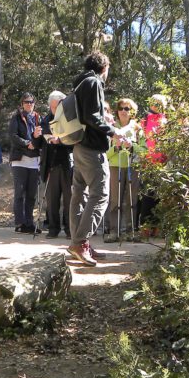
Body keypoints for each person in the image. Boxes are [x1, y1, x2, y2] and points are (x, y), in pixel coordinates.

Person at [68, 52, 122, 267]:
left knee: (80, 195)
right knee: (100, 195)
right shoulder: (94, 82)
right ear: (104, 67)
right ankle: (80, 243)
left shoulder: (80, 82)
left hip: (79, 146)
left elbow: (88, 114)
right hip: (92, 149)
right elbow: (91, 116)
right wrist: (112, 130)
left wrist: (103, 119)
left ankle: (80, 243)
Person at [39, 90, 73, 239]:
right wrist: (35, 137)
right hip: (51, 164)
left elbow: (74, 142)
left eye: (57, 106)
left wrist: (61, 140)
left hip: (67, 163)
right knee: (52, 199)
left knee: (69, 199)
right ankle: (53, 229)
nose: (54, 110)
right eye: (52, 107)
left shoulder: (70, 120)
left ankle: (70, 229)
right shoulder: (45, 120)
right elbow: (38, 143)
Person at [104, 98, 140, 242]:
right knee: (115, 200)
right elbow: (105, 153)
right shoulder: (110, 128)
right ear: (117, 111)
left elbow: (144, 149)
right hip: (115, 166)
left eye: (127, 109)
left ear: (132, 112)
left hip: (132, 166)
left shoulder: (138, 128)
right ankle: (114, 231)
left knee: (132, 200)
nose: (124, 112)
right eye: (121, 108)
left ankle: (131, 231)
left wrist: (132, 146)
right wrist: (117, 147)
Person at [8, 93, 43, 234]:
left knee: (31, 195)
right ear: (22, 103)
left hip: (34, 161)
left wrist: (36, 143)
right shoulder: (16, 117)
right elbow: (13, 136)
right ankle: (20, 223)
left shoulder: (38, 118)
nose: (29, 104)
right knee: (20, 193)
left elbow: (42, 136)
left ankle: (29, 222)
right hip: (20, 160)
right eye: (26, 102)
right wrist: (27, 143)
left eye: (31, 102)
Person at [137, 94, 168, 235]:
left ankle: (158, 227)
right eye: (154, 102)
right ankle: (145, 226)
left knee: (161, 197)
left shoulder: (167, 120)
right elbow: (140, 141)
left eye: (160, 103)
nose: (157, 105)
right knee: (147, 196)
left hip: (164, 163)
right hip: (148, 163)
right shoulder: (144, 121)